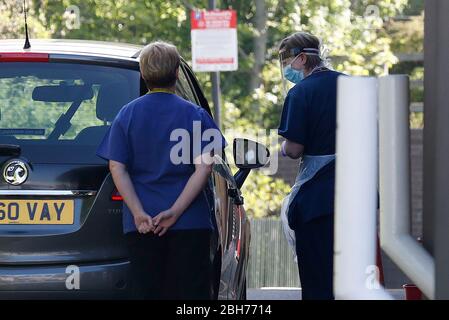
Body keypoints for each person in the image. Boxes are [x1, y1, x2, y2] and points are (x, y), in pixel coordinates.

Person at [96, 41, 226, 300]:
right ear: (177, 73)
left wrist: (138, 212)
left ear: (143, 75)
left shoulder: (126, 115)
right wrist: (176, 211)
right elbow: (205, 167)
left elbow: (116, 166)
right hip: (190, 224)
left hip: (142, 226)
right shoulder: (196, 115)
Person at [277, 32, 345, 300]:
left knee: (318, 281)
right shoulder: (353, 86)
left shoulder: (301, 93)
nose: (286, 68)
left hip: (317, 202)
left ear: (302, 58)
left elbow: (294, 149)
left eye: (287, 61)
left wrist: (281, 148)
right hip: (355, 197)